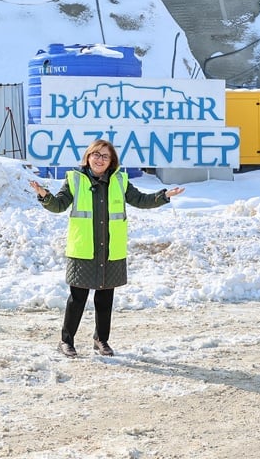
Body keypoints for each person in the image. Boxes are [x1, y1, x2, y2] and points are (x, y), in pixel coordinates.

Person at [29, 139, 184, 358]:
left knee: (105, 298)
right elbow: (59, 205)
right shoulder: (75, 179)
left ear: (111, 161)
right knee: (77, 297)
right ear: (88, 157)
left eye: (105, 156)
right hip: (83, 248)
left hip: (111, 249)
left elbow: (140, 199)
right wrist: (45, 196)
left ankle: (101, 340)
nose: (100, 159)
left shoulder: (120, 180)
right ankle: (66, 341)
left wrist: (164, 196)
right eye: (96, 154)